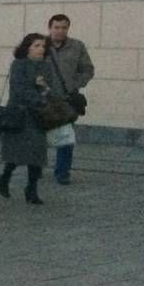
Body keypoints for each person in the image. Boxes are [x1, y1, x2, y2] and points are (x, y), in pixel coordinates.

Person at [0, 33, 63, 205]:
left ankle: (31, 189)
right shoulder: (18, 65)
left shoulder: (46, 66)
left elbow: (51, 90)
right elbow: (18, 89)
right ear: (27, 48)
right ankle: (5, 177)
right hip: (19, 115)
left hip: (38, 117)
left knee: (37, 153)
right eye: (36, 46)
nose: (41, 49)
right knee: (17, 153)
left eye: (42, 46)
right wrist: (39, 96)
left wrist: (44, 88)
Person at [46, 13, 94, 185]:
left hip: (66, 99)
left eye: (64, 27)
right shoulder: (40, 45)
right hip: (44, 99)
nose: (60, 31)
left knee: (65, 137)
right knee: (38, 136)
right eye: (56, 27)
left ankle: (62, 172)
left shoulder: (77, 46)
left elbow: (87, 69)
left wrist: (75, 85)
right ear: (50, 28)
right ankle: (35, 168)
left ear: (68, 28)